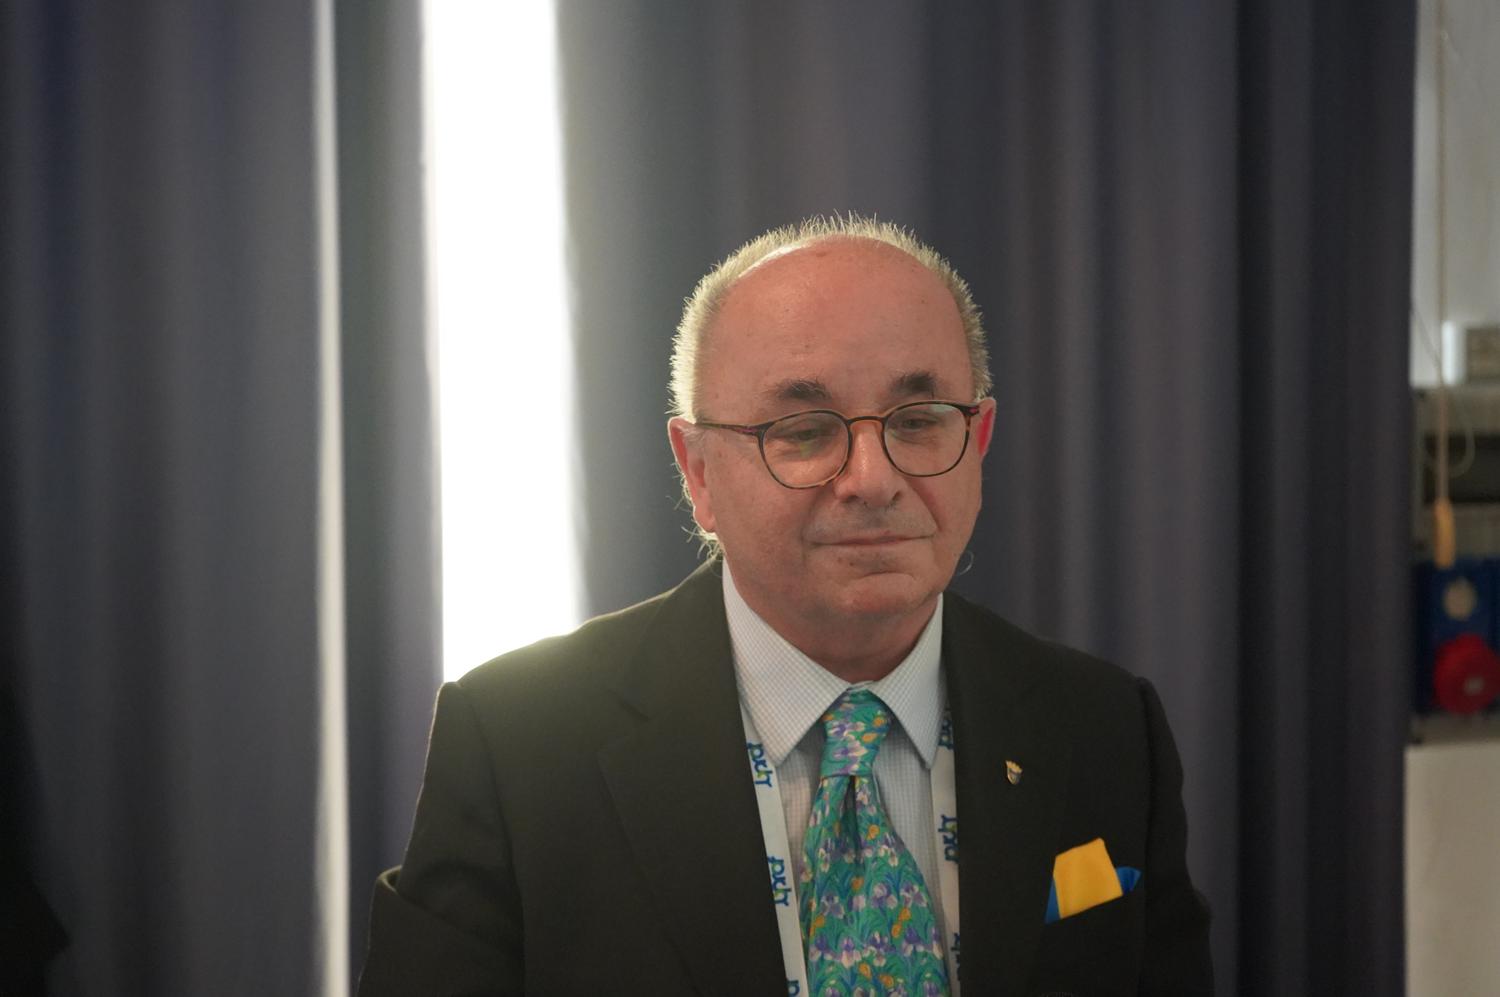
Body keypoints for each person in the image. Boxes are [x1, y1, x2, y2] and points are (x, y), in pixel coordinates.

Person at [358, 216, 1214, 996]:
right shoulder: (519, 745)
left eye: (919, 421)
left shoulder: (1105, 729)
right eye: (804, 432)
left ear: (978, 440)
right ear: (698, 471)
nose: (873, 479)